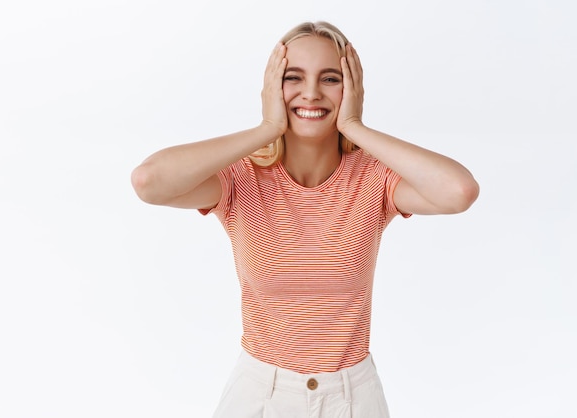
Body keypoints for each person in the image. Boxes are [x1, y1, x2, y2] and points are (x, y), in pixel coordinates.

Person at [131, 20, 479, 418]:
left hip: (353, 399)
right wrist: (266, 128)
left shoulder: (374, 178)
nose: (311, 93)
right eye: (292, 77)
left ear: (352, 89)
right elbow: (148, 181)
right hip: (259, 396)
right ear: (270, 88)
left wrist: (354, 127)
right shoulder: (240, 178)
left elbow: (459, 191)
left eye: (330, 78)